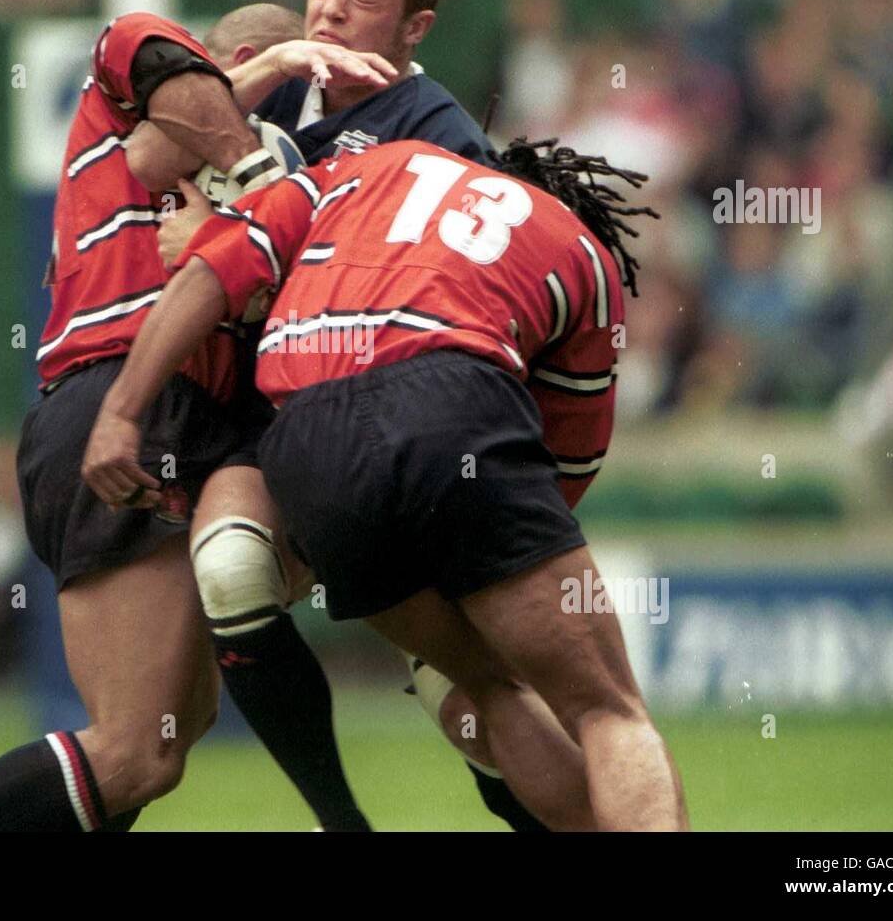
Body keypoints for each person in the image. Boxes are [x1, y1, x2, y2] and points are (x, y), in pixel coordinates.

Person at [84, 136, 689, 830]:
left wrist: (122, 412)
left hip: (304, 439)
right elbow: (563, 468)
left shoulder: (365, 167)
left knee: (491, 689)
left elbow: (212, 270)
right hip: (452, 399)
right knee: (605, 708)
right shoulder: (581, 247)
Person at [0, 5, 392, 831]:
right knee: (136, 748)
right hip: (124, 401)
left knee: (161, 746)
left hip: (174, 420)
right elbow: (161, 72)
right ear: (240, 61)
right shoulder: (137, 78)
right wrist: (263, 130)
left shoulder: (242, 195)